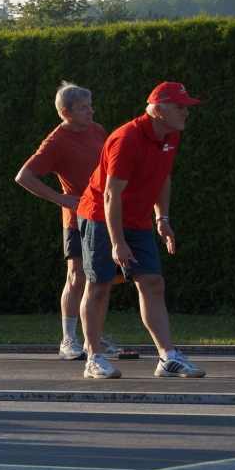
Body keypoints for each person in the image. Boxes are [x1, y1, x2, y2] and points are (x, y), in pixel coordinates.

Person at [77, 81, 205, 380]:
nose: (185, 113)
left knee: (153, 283)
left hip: (138, 219)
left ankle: (168, 358)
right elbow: (111, 195)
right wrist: (117, 242)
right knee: (99, 286)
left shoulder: (171, 135)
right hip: (100, 216)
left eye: (186, 107)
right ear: (158, 110)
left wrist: (162, 219)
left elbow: (163, 176)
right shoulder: (127, 138)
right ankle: (94, 358)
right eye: (179, 107)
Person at [14, 82, 112, 361]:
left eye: (90, 106)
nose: (90, 112)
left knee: (102, 278)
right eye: (83, 108)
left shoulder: (97, 130)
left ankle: (95, 340)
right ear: (65, 113)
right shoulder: (55, 142)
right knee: (77, 276)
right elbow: (24, 176)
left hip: (103, 214)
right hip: (77, 219)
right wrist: (61, 198)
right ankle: (68, 340)